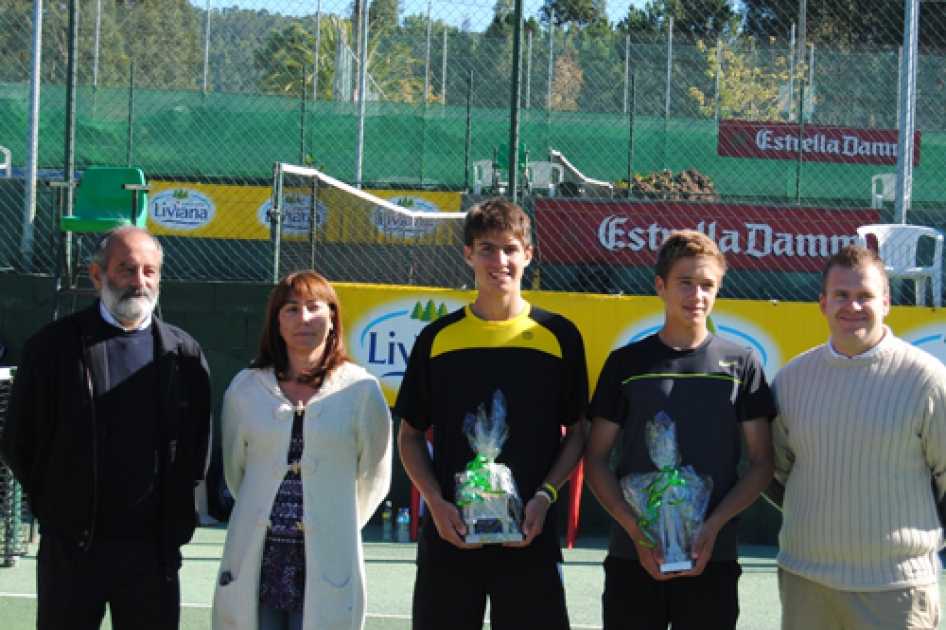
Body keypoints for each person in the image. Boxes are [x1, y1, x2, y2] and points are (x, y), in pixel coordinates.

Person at [0, 226, 213, 630]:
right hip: (73, 551)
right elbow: (18, 441)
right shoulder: (53, 347)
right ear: (97, 275)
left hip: (153, 554)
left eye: (149, 272)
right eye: (126, 269)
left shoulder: (183, 353)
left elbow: (196, 448)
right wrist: (57, 508)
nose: (139, 281)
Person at [394, 197, 589, 630]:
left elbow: (578, 432)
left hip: (529, 542)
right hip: (450, 541)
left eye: (509, 249)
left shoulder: (559, 336)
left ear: (528, 255)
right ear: (468, 255)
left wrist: (545, 496)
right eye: (486, 249)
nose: (498, 260)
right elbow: (409, 434)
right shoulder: (437, 339)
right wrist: (435, 503)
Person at [584, 229, 776, 630]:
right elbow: (597, 458)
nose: (697, 295)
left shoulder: (741, 364)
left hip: (714, 554)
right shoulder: (626, 364)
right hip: (632, 554)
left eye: (707, 285)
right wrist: (634, 528)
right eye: (685, 283)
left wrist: (713, 526)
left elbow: (761, 463)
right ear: (660, 286)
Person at [764, 244, 946, 630]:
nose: (853, 306)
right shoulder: (792, 379)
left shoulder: (926, 379)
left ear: (886, 302)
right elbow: (777, 473)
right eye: (841, 295)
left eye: (865, 296)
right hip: (806, 584)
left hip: (896, 590)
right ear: (822, 304)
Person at [212, 270, 392, 630]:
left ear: (333, 317)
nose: (303, 319)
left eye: (314, 307)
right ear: (277, 322)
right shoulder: (245, 389)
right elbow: (236, 474)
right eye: (291, 309)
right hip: (259, 559)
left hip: (327, 560)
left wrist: (334, 523)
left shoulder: (361, 391)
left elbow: (374, 479)